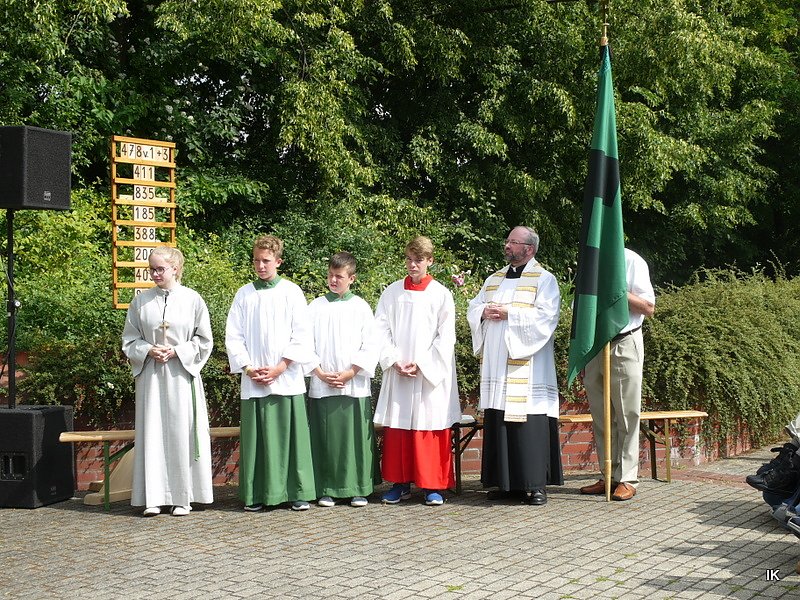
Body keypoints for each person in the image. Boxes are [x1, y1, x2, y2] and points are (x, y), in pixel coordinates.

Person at [467, 226, 563, 506]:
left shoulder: (545, 280)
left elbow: (547, 316)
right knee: (499, 417)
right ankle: (505, 484)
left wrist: (509, 312)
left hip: (528, 365)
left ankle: (534, 486)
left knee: (528, 422)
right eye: (507, 241)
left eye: (513, 242)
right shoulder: (494, 279)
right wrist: (483, 312)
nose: (507, 245)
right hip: (498, 365)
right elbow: (474, 307)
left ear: (529, 249)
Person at [225, 234, 316, 512]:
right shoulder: (244, 294)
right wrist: (249, 368)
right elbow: (234, 335)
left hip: (286, 378)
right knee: (258, 441)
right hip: (255, 380)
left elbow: (302, 334)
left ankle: (296, 493)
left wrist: (279, 367)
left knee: (292, 440)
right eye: (257, 260)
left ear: (278, 261)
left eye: (266, 261)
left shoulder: (292, 292)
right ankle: (258, 494)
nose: (261, 266)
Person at [122, 246, 214, 517]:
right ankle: (154, 497)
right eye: (152, 268)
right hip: (151, 376)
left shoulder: (192, 299)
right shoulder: (141, 301)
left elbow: (204, 340)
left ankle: (182, 498)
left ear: (175, 268)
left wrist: (178, 351)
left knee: (181, 432)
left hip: (181, 376)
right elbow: (129, 339)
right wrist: (148, 350)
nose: (155, 273)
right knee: (152, 433)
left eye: (160, 268)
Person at [373, 236, 461, 506]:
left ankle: (433, 485)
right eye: (409, 259)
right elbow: (379, 330)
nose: (413, 265)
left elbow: (446, 337)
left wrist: (422, 364)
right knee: (399, 428)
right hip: (399, 371)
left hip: (428, 377)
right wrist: (394, 359)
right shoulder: (391, 293)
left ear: (429, 261)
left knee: (429, 425)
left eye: (418, 260)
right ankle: (400, 484)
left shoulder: (441, 294)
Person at [580, 247, 655, 501]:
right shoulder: (590, 259)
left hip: (625, 341)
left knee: (627, 413)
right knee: (601, 414)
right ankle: (608, 475)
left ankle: (627, 478)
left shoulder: (632, 260)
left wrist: (616, 291)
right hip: (595, 344)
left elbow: (648, 306)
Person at [307, 252, 381, 508]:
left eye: (339, 276)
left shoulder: (360, 307)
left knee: (355, 440)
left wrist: (351, 372)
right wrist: (318, 372)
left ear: (352, 278)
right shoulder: (315, 307)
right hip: (323, 383)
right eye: (330, 275)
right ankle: (326, 488)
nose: (333, 280)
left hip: (354, 384)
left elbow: (371, 344)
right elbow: (305, 343)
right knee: (325, 439)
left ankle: (358, 488)